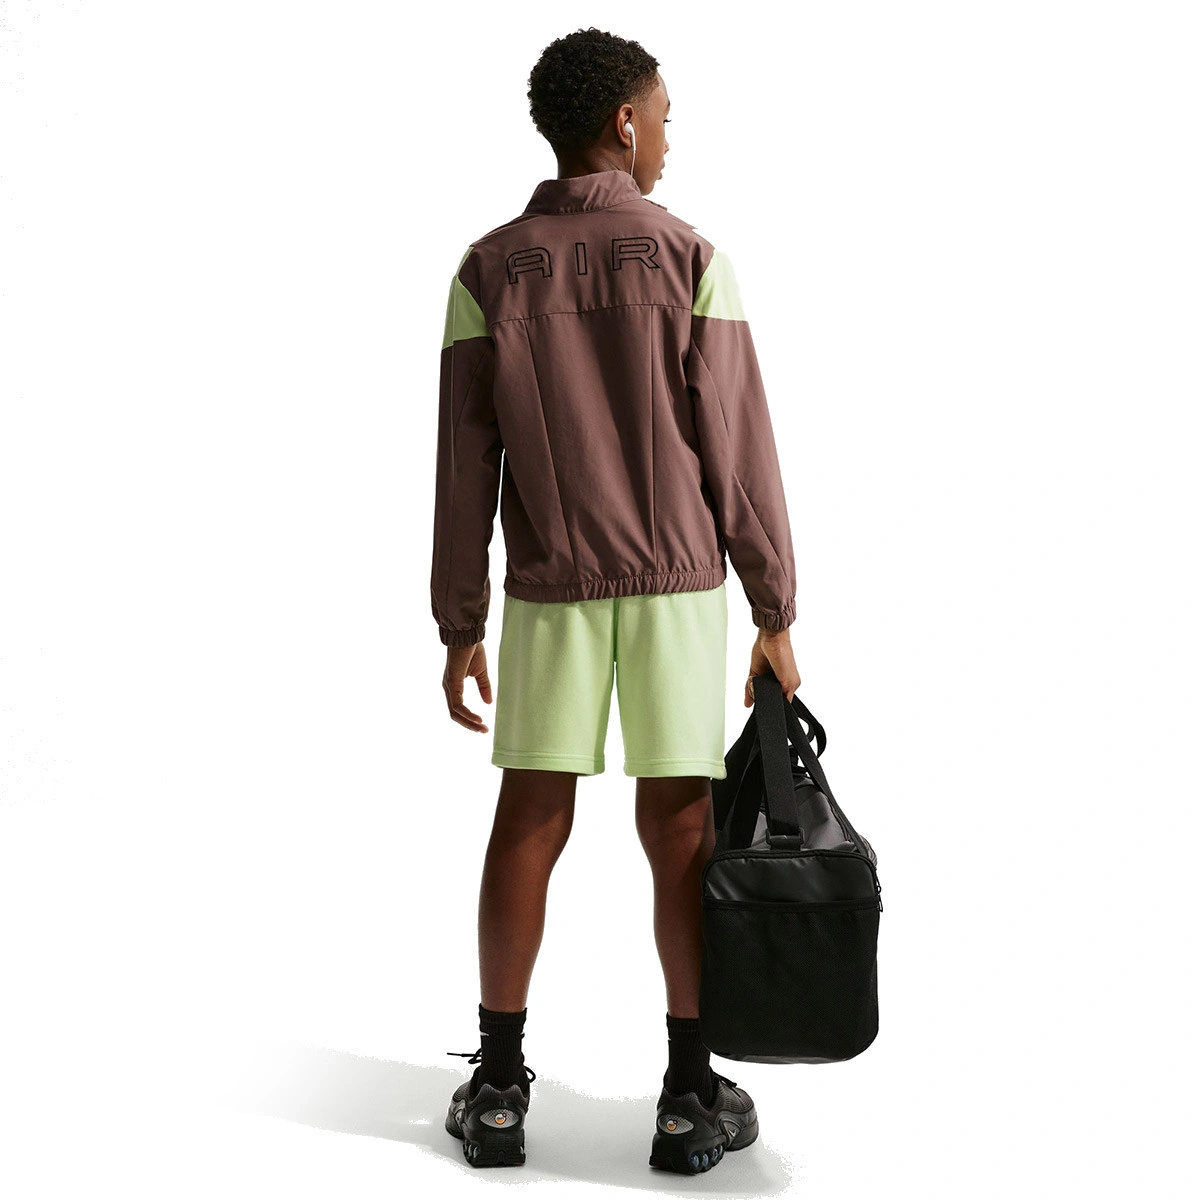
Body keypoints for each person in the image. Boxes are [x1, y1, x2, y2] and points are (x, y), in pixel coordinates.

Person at [433, 27, 801, 1173]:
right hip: (678, 587)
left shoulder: (487, 270)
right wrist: (775, 608)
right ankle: (688, 1097)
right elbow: (736, 448)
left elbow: (463, 465)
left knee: (528, 819)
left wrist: (460, 622)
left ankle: (499, 1091)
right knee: (681, 825)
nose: (669, 141)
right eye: (664, 118)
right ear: (624, 122)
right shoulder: (691, 258)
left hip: (549, 587)